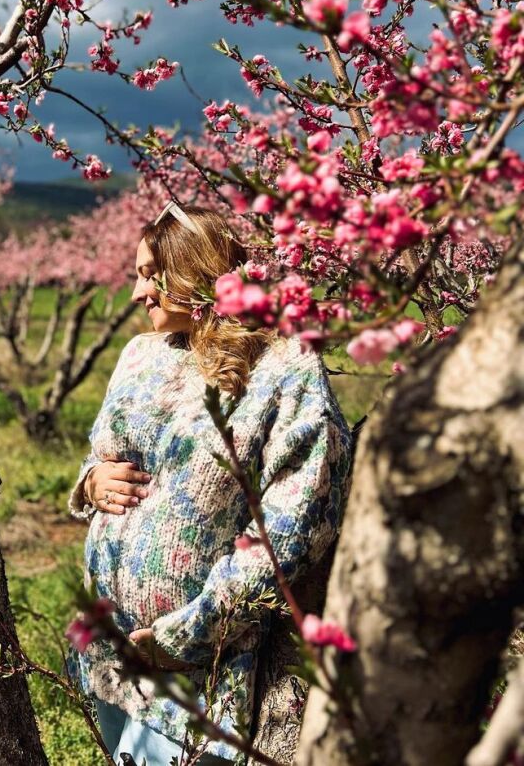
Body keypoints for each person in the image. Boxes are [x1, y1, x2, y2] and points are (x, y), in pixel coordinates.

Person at [68, 203, 352, 765]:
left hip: (192, 662)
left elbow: (292, 529)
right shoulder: (140, 355)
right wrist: (90, 482)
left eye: (152, 275)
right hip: (107, 646)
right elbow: (100, 455)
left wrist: (188, 633)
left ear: (195, 270)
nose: (136, 294)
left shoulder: (283, 371)